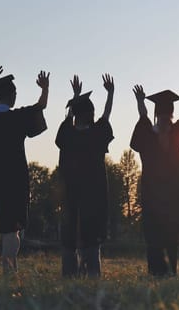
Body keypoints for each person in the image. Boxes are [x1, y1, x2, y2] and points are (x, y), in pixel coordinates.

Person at [0, 66, 49, 276]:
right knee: (11, 229)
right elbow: (40, 106)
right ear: (12, 95)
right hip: (12, 183)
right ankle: (9, 272)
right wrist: (45, 88)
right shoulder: (18, 118)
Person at [130, 83, 179, 276]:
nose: (164, 119)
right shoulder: (147, 134)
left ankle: (171, 271)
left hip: (173, 197)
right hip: (152, 195)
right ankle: (154, 272)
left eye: (167, 116)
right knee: (153, 237)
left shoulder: (178, 132)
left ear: (170, 115)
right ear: (157, 116)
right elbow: (143, 116)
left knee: (170, 237)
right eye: (161, 116)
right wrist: (139, 101)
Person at [55, 74, 114, 278]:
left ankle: (69, 274)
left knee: (70, 236)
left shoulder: (67, 134)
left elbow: (67, 120)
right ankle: (93, 274)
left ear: (75, 115)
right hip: (93, 195)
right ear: (90, 114)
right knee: (92, 236)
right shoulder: (96, 134)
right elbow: (106, 117)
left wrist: (76, 97)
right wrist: (111, 94)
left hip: (70, 194)